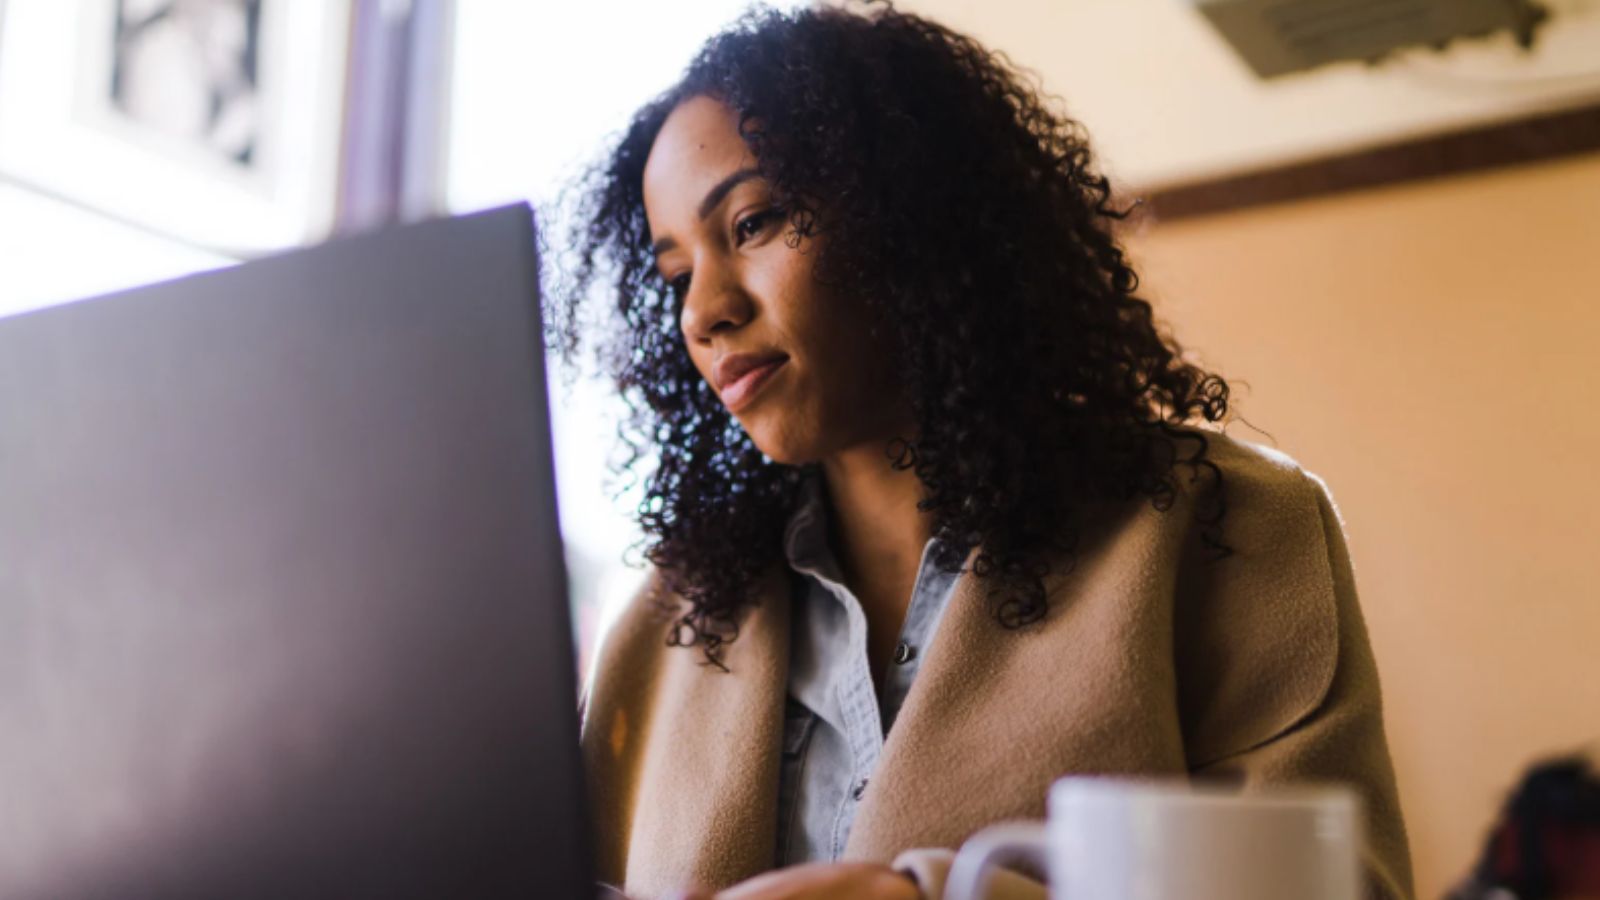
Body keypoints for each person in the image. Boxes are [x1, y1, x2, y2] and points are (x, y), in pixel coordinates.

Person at [562, 4, 1413, 898]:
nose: (705, 312)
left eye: (754, 222)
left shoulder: (1223, 530)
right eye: (676, 274)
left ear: (912, 213)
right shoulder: (666, 626)